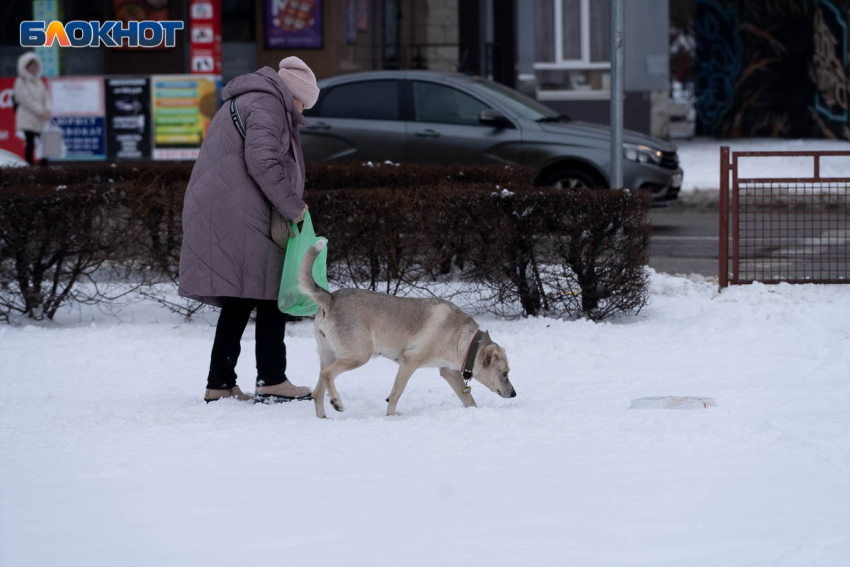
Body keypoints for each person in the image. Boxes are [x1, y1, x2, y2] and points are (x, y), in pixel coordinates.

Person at [178, 57, 320, 403]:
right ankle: (271, 378)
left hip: (233, 208)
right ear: (294, 92)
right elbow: (263, 160)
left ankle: (221, 382)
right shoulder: (268, 103)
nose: (302, 110)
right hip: (240, 211)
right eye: (303, 102)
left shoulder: (254, 99)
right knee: (269, 292)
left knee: (243, 296)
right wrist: (293, 206)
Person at [14, 52, 52, 166]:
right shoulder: (20, 82)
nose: (33, 68)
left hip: (40, 118)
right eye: (31, 65)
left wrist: (48, 110)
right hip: (28, 118)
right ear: (25, 67)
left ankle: (44, 166)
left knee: (44, 142)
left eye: (35, 65)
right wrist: (41, 111)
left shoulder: (39, 81)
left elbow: (46, 97)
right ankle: (29, 166)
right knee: (30, 142)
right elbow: (26, 100)